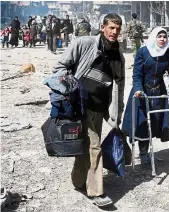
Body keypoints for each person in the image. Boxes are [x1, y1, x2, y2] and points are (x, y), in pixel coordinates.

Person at [51, 13, 125, 207]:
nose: (114, 32)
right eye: (111, 27)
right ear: (102, 27)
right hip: (81, 105)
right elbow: (60, 67)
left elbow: (119, 85)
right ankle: (96, 192)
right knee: (94, 147)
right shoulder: (84, 43)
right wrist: (68, 89)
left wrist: (117, 112)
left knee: (87, 146)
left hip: (100, 108)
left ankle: (77, 181)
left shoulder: (118, 54)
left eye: (117, 28)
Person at [122, 27, 169, 164]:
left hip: (159, 91)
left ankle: (148, 151)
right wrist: (138, 89)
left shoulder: (168, 53)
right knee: (142, 121)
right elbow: (137, 74)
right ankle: (143, 152)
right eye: (159, 36)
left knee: (156, 121)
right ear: (154, 37)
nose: (162, 39)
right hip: (142, 91)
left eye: (164, 37)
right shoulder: (143, 52)